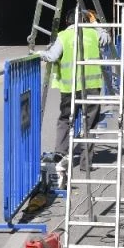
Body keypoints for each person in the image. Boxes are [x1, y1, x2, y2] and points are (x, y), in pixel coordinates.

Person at [38, 9, 109, 170]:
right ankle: (86, 163)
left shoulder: (63, 36)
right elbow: (106, 38)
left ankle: (60, 155)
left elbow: (52, 56)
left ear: (67, 22)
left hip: (69, 88)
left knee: (65, 119)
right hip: (91, 88)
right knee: (90, 124)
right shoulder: (93, 34)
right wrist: (95, 23)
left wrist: (39, 53)